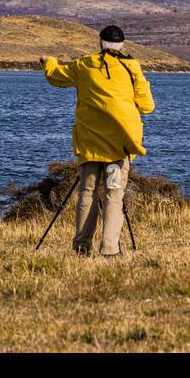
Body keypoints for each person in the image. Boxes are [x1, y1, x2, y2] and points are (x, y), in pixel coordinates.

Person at [40, 25, 155, 257]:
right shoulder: (132, 68)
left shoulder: (84, 65)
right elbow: (147, 106)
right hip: (118, 146)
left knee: (87, 192)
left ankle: (82, 246)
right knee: (114, 194)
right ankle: (110, 249)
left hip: (90, 144)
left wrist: (48, 61)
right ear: (122, 45)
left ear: (100, 43)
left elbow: (55, 77)